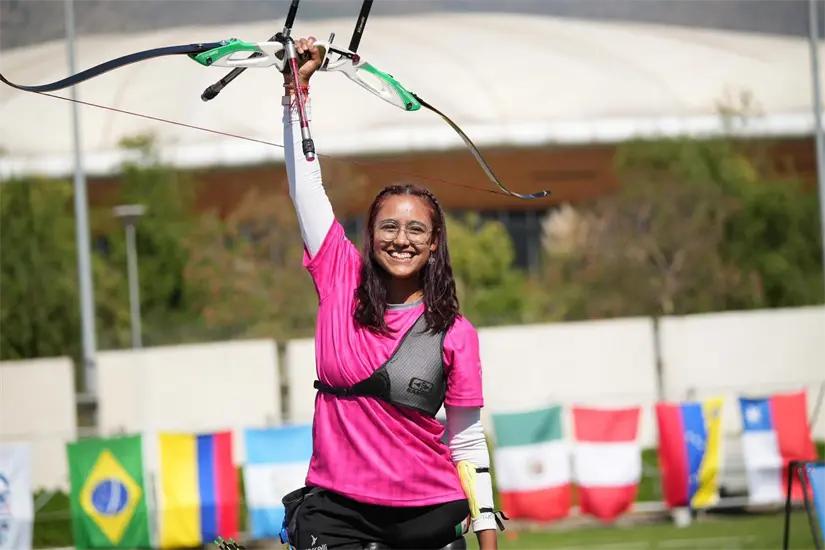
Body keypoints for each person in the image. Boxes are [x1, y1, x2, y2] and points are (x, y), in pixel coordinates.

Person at [279, 36, 501, 550]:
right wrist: (297, 92)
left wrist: (486, 531)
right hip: (336, 509)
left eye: (415, 230)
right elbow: (305, 187)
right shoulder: (339, 275)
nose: (401, 240)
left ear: (434, 242)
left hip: (428, 511)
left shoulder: (454, 333)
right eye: (388, 227)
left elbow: (466, 440)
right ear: (370, 232)